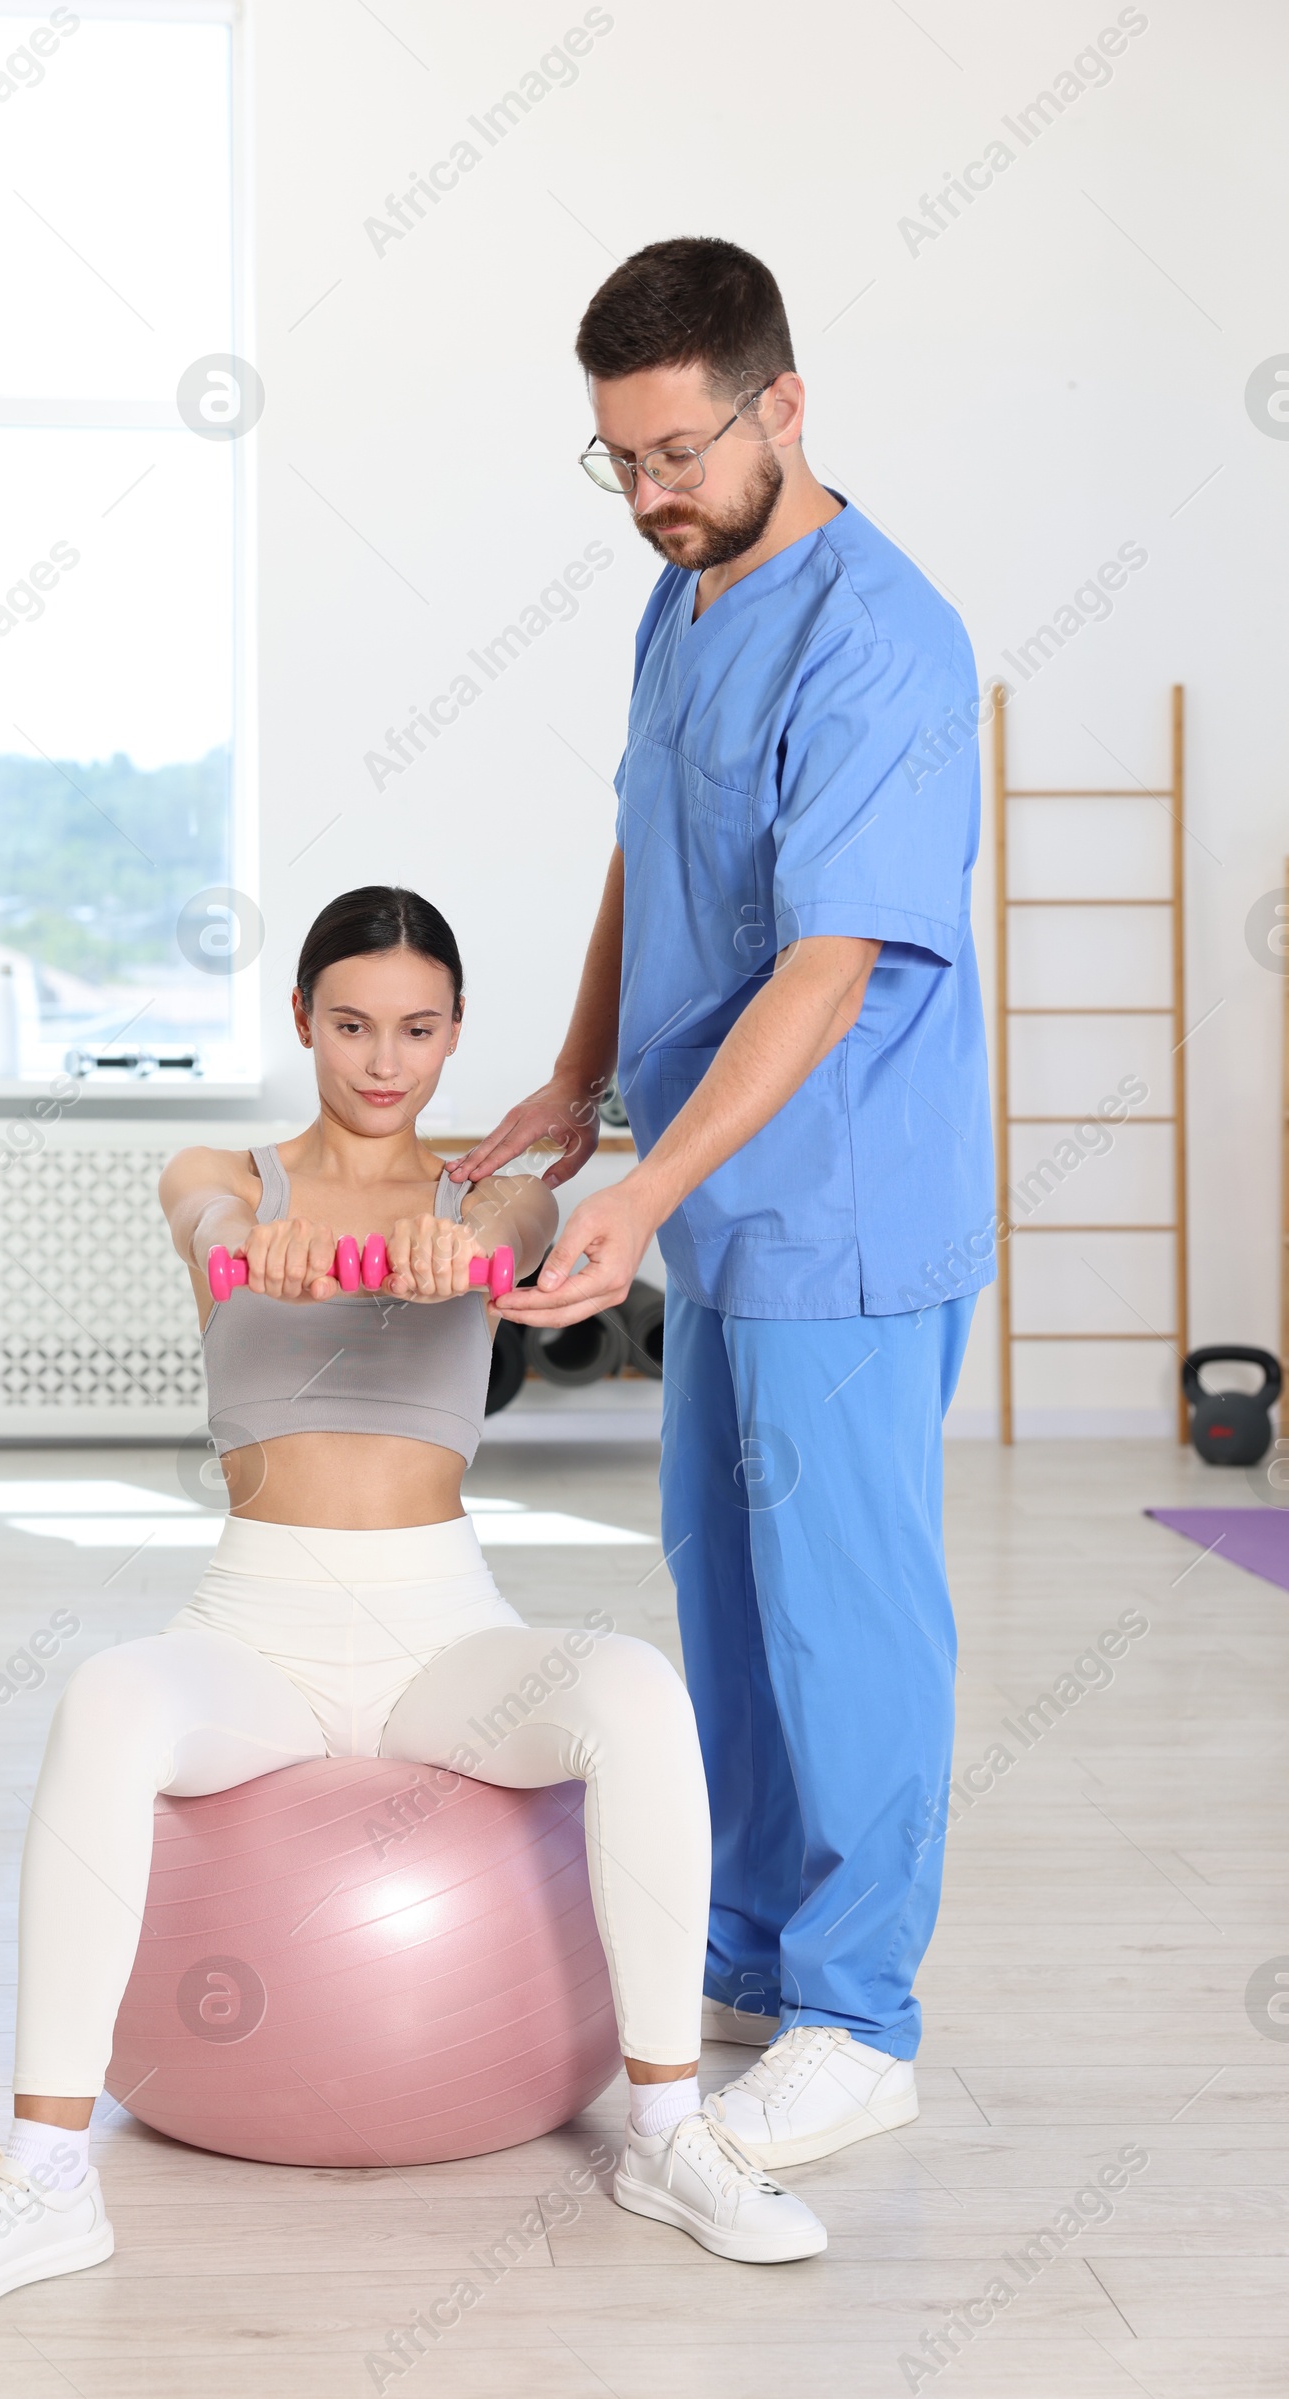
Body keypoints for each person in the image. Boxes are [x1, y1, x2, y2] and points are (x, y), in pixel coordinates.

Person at [0, 885, 826, 2326]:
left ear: (454, 1040)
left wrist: (471, 1238)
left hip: (443, 1632)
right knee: (108, 1700)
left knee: (631, 1685)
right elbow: (204, 1220)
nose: (386, 1062)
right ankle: (46, 2176)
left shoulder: (491, 1192)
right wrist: (258, 1237)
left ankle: (671, 2136)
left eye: (421, 1032)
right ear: (301, 1020)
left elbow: (511, 1209)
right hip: (254, 1629)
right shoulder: (217, 1171)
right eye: (354, 1026)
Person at [460, 238, 994, 2172]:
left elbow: (828, 967)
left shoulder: (884, 643)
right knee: (732, 1589)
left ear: (784, 404)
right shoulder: (684, 599)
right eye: (617, 462)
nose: (651, 496)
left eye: (679, 452)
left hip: (841, 1207)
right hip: (707, 1203)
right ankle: (758, 1950)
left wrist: (636, 1184)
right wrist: (574, 1080)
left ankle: (866, 2017)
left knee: (848, 1617)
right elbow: (646, 842)